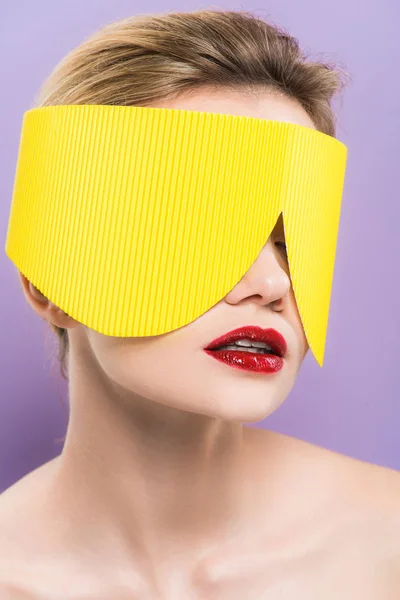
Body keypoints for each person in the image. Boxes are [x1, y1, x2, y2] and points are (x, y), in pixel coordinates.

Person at [1, 8, 399, 599]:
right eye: (202, 234)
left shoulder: (384, 542)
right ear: (50, 283)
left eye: (291, 244)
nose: (272, 283)